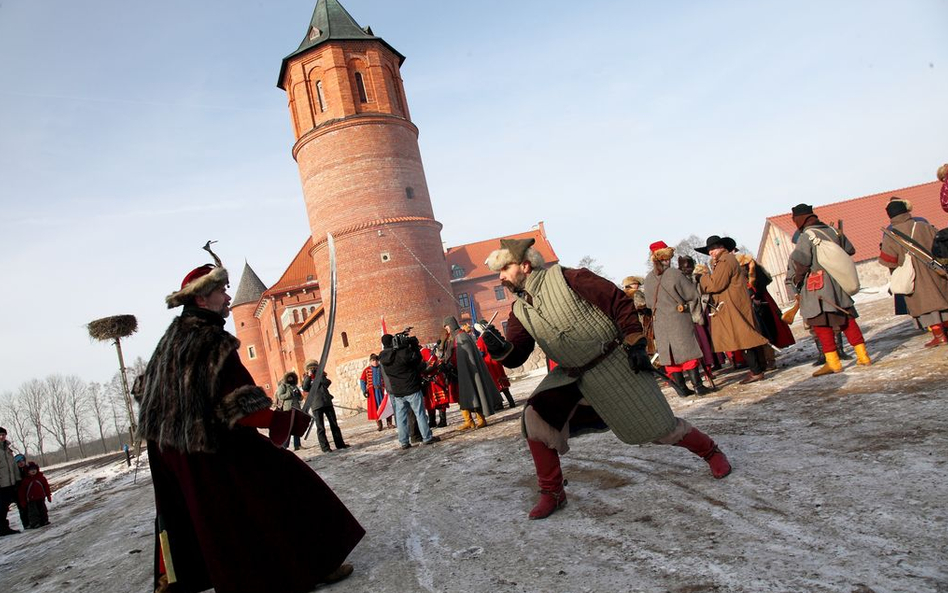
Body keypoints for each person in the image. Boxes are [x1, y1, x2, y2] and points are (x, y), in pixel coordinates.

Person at [135, 247, 363, 592]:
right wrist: (281, 420)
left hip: (168, 448)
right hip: (207, 443)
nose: (228, 298)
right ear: (201, 300)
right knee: (284, 481)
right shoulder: (213, 340)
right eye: (221, 291)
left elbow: (147, 391)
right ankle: (313, 563)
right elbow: (240, 407)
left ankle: (178, 577)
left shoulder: (171, 339)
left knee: (196, 511)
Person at [482, 238, 731, 520]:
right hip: (570, 375)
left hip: (612, 363)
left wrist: (636, 342)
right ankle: (552, 491)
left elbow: (617, 301)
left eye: (504, 268)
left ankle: (710, 452)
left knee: (660, 427)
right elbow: (517, 354)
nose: (500, 277)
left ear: (525, 266)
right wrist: (501, 350)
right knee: (535, 417)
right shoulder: (519, 310)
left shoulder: (569, 278)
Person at [787, 204, 871, 376]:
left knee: (821, 324)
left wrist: (797, 280)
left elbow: (802, 262)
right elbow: (849, 250)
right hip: (838, 282)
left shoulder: (806, 236)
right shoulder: (833, 231)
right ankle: (863, 356)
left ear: (799, 220)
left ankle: (833, 363)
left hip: (818, 286)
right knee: (846, 319)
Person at [696, 235, 772, 384]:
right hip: (733, 303)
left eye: (713, 249)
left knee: (743, 338)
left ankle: (756, 371)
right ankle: (758, 368)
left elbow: (715, 285)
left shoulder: (725, 261)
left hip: (732, 305)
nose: (711, 252)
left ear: (721, 247)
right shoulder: (724, 261)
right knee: (746, 337)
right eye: (709, 250)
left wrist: (703, 277)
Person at [643, 241, 712, 396]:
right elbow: (692, 294)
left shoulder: (648, 279)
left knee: (670, 356)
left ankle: (681, 389)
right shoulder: (674, 273)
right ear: (666, 257)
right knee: (688, 351)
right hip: (678, 319)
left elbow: (648, 303)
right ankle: (698, 386)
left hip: (659, 322)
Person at [879, 198, 948, 346]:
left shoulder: (891, 235)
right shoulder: (923, 225)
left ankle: (939, 335)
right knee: (943, 301)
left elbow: (888, 260)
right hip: (935, 270)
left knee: (928, 307)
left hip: (914, 277)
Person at [378, 333, 441, 449]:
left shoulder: (382, 357)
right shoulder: (401, 354)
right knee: (420, 414)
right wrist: (413, 347)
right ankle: (427, 437)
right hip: (411, 388)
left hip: (398, 392)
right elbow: (417, 361)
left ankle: (404, 442)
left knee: (401, 418)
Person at [441, 316, 501, 430]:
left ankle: (481, 419)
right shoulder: (453, 337)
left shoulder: (461, 336)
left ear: (451, 325)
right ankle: (468, 421)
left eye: (447, 327)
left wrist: (452, 362)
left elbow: (463, 356)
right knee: (462, 397)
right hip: (457, 372)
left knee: (474, 392)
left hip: (467, 371)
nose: (446, 329)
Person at [302, 360, 350, 453]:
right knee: (320, 427)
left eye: (315, 367)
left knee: (334, 425)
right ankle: (325, 448)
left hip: (327, 402)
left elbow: (327, 383)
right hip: (316, 405)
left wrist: (319, 374)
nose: (313, 369)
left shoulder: (322, 375)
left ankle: (340, 444)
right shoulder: (306, 378)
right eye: (311, 368)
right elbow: (305, 388)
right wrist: (309, 376)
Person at [474, 320, 517, 409]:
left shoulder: (481, 339)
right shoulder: (491, 334)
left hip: (489, 363)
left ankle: (499, 404)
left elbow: (481, 352)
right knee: (503, 383)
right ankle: (511, 401)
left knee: (496, 384)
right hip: (497, 359)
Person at [360, 354, 394, 431]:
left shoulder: (382, 368)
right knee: (376, 408)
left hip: (382, 391)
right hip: (373, 392)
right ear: (370, 361)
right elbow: (362, 380)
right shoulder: (366, 370)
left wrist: (388, 388)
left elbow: (387, 378)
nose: (375, 362)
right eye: (373, 360)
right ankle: (379, 425)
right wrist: (364, 390)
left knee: (386, 406)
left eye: (376, 360)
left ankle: (389, 423)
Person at [420, 346, 451, 428]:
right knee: (429, 401)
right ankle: (432, 420)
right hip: (427, 381)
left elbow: (432, 363)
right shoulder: (417, 353)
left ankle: (443, 420)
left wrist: (423, 370)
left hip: (434, 379)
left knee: (439, 399)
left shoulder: (425, 351)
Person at [0, 427, 21, 535]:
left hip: (10, 483)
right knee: (2, 508)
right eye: (0, 435)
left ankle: (4, 528)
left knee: (6, 507)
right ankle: (2, 529)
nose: (2, 437)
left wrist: (17, 479)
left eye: (3, 434)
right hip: (1, 484)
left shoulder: (8, 449)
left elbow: (13, 466)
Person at [275, 371, 304, 450]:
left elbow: (301, 398)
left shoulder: (295, 386)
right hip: (288, 409)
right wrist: (289, 394)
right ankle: (285, 446)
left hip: (297, 408)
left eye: (292, 377)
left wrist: (298, 394)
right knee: (289, 428)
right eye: (289, 377)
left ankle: (297, 445)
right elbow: (280, 396)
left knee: (297, 427)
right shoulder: (283, 386)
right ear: (286, 378)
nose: (290, 379)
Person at [18, 462, 51, 529]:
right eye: (31, 470)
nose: (33, 471)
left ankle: (44, 520)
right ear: (27, 471)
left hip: (41, 498)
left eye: (34, 469)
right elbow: (22, 492)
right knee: (33, 512)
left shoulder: (41, 478)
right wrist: (23, 501)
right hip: (31, 500)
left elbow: (46, 487)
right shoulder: (25, 481)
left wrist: (48, 495)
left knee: (43, 510)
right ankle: (35, 523)